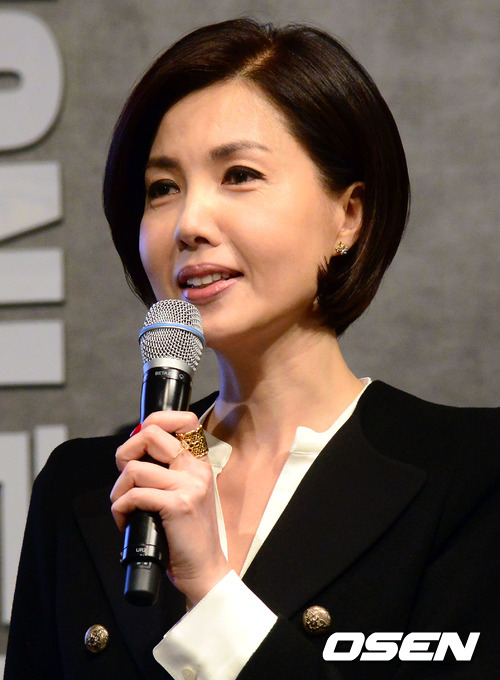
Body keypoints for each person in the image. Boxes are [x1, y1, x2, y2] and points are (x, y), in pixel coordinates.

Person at [5, 17, 499, 680]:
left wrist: (213, 592)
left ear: (348, 216)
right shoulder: (86, 490)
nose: (189, 224)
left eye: (239, 175)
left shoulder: (470, 476)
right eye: (162, 188)